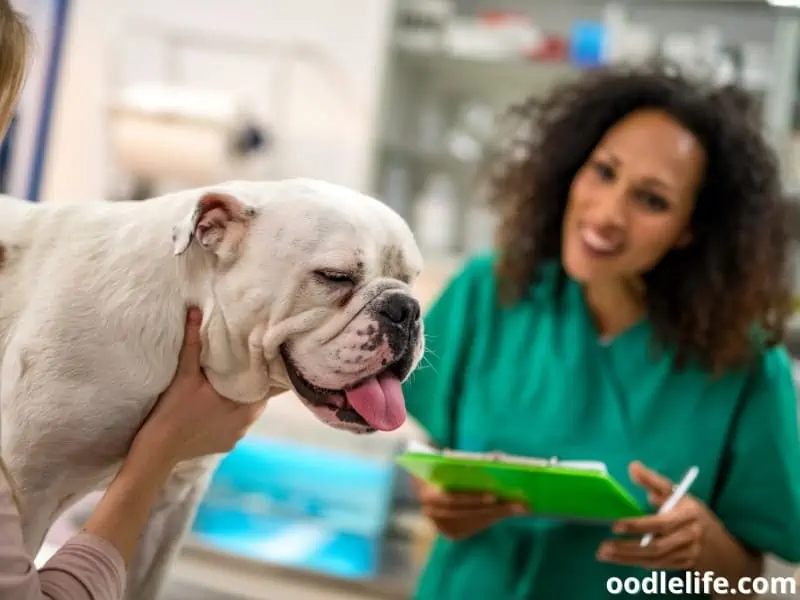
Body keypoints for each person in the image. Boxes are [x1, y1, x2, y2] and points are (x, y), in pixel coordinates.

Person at [404, 61, 800, 599]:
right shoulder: (487, 292)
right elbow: (420, 445)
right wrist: (438, 501)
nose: (608, 213)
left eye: (652, 200)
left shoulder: (744, 366)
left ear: (692, 229)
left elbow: (764, 582)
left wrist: (703, 547)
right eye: (604, 172)